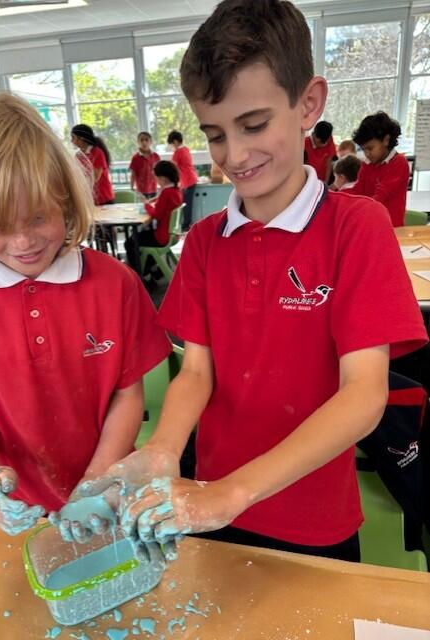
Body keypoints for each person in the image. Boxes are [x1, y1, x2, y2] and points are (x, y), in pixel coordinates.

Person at [61, 0, 427, 562]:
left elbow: (363, 394)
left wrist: (233, 493)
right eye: (214, 134)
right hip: (205, 503)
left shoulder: (357, 227)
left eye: (254, 125)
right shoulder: (206, 241)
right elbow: (196, 371)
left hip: (312, 519)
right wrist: (164, 448)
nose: (234, 155)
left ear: (308, 104)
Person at [0, 94, 171, 536]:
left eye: (37, 218)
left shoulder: (115, 284)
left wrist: (96, 482)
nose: (23, 243)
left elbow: (128, 396)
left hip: (111, 487)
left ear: (65, 200)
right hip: (22, 505)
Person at [345, 112, 410, 228]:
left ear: (386, 140)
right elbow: (358, 190)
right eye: (363, 150)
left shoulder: (399, 162)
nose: (367, 154)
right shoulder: (367, 164)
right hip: (371, 223)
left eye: (370, 148)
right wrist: (334, 195)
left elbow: (380, 196)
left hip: (391, 227)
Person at [124, 161, 183, 285]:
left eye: (156, 178)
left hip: (162, 237)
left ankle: (141, 276)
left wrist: (146, 204)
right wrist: (154, 201)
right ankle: (154, 269)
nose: (156, 181)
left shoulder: (166, 193)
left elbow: (156, 214)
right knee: (142, 237)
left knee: (130, 242)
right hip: (172, 234)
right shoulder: (176, 190)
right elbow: (163, 207)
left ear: (163, 178)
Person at [71, 124, 115, 206]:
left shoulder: (97, 153)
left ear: (82, 138)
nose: (71, 140)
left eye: (73, 137)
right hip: (89, 198)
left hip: (103, 197)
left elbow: (95, 178)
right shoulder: (78, 155)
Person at [167, 130, 198, 232]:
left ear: (175, 142)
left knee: (185, 205)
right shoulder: (186, 149)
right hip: (191, 179)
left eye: (172, 144)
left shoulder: (178, 152)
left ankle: (185, 226)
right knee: (187, 204)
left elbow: (172, 167)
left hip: (187, 181)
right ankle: (186, 225)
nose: (172, 147)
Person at [129, 132, 161, 199]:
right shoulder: (135, 158)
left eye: (146, 140)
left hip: (154, 189)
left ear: (150, 142)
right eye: (141, 140)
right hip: (141, 191)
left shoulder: (156, 156)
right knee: (142, 206)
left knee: (153, 205)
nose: (144, 142)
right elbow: (133, 174)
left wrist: (162, 186)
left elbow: (160, 173)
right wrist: (131, 187)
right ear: (138, 142)